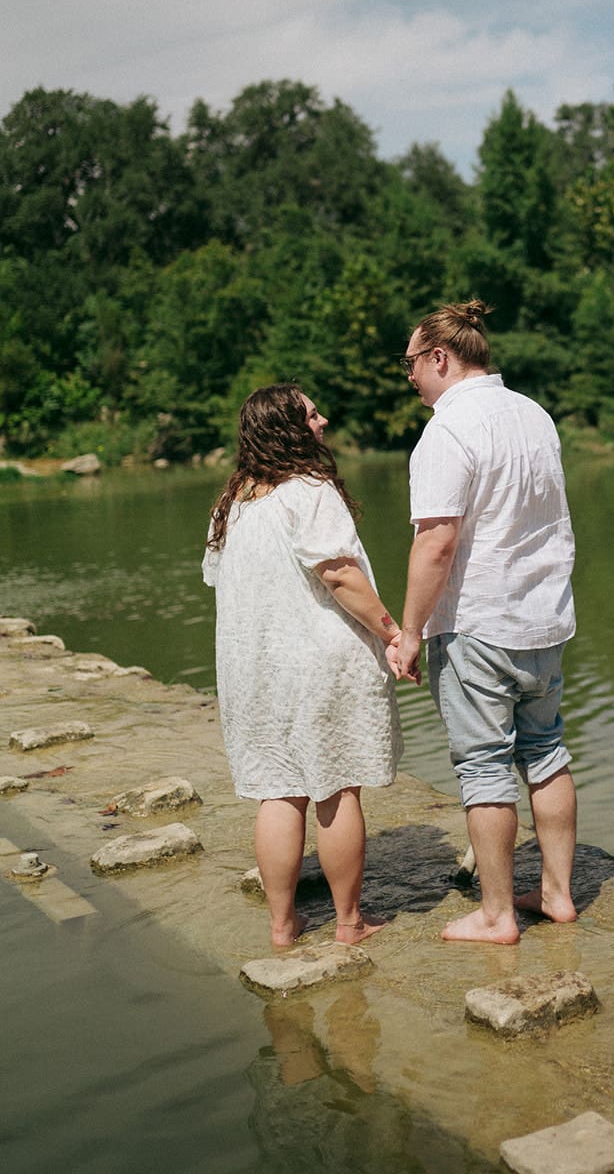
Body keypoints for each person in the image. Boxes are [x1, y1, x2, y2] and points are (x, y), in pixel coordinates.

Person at [388, 300, 578, 945]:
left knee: (484, 765)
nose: (408, 376)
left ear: (440, 358)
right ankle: (555, 892)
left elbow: (436, 541)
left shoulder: (447, 430)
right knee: (546, 752)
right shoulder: (534, 413)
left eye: (411, 363)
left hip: (479, 624)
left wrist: (410, 632)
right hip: (543, 619)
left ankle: (497, 914)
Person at [203, 383, 402, 949]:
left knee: (278, 791)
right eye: (311, 414)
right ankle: (348, 924)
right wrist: (391, 631)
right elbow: (338, 574)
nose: (323, 421)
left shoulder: (236, 500)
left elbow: (221, 579)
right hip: (319, 663)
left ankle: (283, 925)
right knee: (337, 787)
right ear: (286, 428)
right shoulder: (310, 489)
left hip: (253, 670)